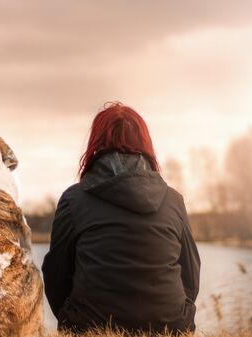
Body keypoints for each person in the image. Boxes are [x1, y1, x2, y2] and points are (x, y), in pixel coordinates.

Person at [42, 102, 200, 333]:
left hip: (91, 328)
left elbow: (56, 275)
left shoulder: (74, 200)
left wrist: (71, 321)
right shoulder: (173, 200)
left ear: (96, 144)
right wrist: (178, 318)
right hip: (169, 328)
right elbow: (191, 274)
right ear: (145, 144)